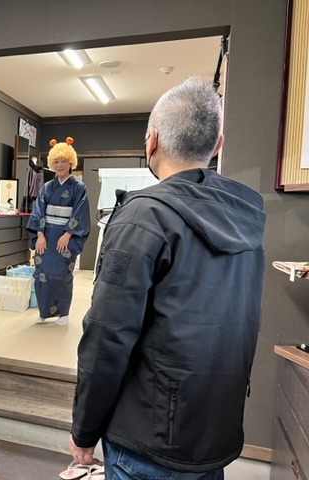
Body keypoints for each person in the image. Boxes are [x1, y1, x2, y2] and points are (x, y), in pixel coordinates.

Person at [69, 77, 266, 479]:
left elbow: (107, 335)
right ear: (218, 144)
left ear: (152, 140)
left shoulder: (145, 217)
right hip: (214, 432)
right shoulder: (246, 215)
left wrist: (84, 429)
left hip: (148, 439)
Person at [26, 137, 90, 326]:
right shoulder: (47, 187)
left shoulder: (78, 187)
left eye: (64, 161)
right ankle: (44, 313)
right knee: (41, 275)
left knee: (62, 275)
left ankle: (63, 314)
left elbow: (80, 212)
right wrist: (39, 234)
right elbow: (38, 210)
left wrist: (68, 234)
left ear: (71, 163)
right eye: (56, 161)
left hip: (65, 238)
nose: (60, 165)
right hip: (45, 237)